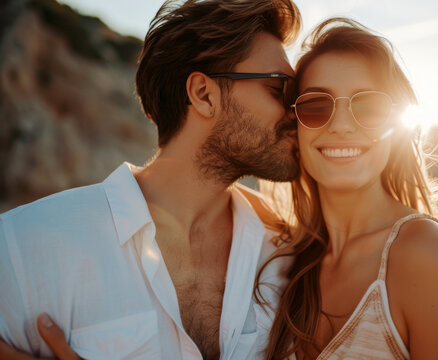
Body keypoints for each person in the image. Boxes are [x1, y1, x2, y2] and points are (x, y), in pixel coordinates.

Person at [0, 0, 301, 359]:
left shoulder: (286, 254)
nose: (295, 111)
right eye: (281, 89)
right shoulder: (28, 242)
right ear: (204, 95)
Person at [257, 18, 438, 359]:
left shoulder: (431, 256)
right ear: (295, 128)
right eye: (316, 106)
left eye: (367, 107)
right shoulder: (285, 262)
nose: (340, 126)